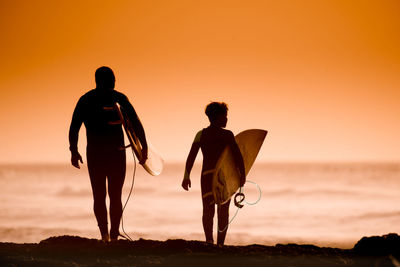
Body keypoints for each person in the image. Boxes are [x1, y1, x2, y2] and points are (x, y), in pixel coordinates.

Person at [69, 66, 148, 242]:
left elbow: (74, 127)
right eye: (112, 78)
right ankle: (112, 234)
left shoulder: (86, 99)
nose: (114, 81)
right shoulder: (118, 97)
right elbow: (135, 121)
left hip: (96, 153)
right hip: (115, 153)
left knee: (99, 195)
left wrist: (74, 150)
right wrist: (144, 146)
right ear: (108, 80)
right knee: (115, 195)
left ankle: (105, 235)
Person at [181, 102, 245, 246]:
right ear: (218, 117)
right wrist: (242, 175)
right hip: (223, 177)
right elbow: (238, 156)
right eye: (225, 116)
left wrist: (186, 176)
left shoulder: (201, 134)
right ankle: (220, 243)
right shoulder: (227, 135)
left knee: (208, 210)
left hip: (206, 176)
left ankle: (209, 240)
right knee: (223, 211)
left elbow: (191, 157)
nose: (227, 119)